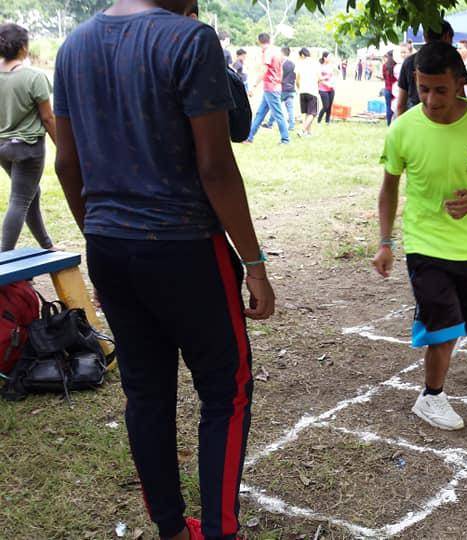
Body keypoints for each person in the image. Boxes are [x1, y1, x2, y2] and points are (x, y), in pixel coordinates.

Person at [52, 1, 276, 538]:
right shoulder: (190, 40)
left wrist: (102, 233)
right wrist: (254, 262)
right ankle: (221, 530)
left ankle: (172, 528)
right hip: (187, 247)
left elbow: (66, 163)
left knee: (147, 392)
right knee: (226, 389)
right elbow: (216, 165)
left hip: (108, 243)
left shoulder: (73, 46)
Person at [374, 42, 467, 431]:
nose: (430, 100)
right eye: (422, 89)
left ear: (462, 84)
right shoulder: (403, 129)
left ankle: (437, 375)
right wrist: (386, 243)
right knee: (443, 324)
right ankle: (431, 397)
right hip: (423, 243)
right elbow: (388, 188)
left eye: (440, 90)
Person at [0, 23, 55, 252]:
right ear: (23, 47)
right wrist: (62, 146)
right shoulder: (34, 77)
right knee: (20, 200)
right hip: (28, 149)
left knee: (31, 193)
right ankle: (3, 260)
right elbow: (48, 118)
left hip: (3, 148)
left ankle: (47, 245)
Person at [396, 20, 454, 116]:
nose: (431, 101)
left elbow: (400, 104)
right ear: (447, 36)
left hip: (414, 117)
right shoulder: (453, 61)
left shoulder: (409, 61)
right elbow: (461, 97)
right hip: (445, 119)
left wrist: (401, 126)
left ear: (425, 36)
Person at [245, 32, 289, 144]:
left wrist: (254, 86)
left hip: (271, 87)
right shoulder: (277, 51)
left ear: (259, 41)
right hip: (273, 87)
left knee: (278, 114)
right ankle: (249, 137)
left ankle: (285, 139)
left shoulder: (268, 52)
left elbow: (264, 71)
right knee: (260, 113)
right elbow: (281, 70)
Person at [264, 46, 296, 132]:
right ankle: (292, 125)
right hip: (291, 88)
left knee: (275, 107)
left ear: (282, 52)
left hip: (282, 88)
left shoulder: (281, 63)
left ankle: (270, 123)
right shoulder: (293, 64)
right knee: (290, 108)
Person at [296, 47, 320, 136]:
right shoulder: (315, 63)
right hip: (312, 91)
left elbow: (297, 80)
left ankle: (308, 132)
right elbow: (319, 78)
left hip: (302, 91)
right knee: (312, 113)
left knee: (307, 112)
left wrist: (299, 88)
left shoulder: (300, 64)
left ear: (302, 55)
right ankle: (302, 130)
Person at [318, 51, 337, 124]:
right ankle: (319, 120)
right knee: (325, 106)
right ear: (325, 58)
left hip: (331, 89)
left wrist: (332, 83)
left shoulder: (331, 66)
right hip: (323, 89)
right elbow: (319, 79)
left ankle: (327, 121)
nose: (330, 58)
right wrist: (327, 83)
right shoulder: (320, 66)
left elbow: (332, 76)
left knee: (330, 106)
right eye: (329, 57)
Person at [382, 50, 397, 125]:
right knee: (396, 107)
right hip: (396, 90)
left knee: (388, 107)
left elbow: (384, 77)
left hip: (387, 89)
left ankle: (389, 124)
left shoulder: (385, 66)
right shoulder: (396, 65)